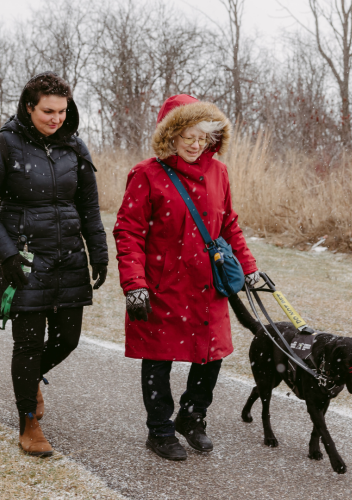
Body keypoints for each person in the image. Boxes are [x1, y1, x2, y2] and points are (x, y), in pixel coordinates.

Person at [113, 94, 260, 461]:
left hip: (208, 283)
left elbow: (229, 226)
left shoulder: (219, 172)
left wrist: (251, 268)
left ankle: (193, 417)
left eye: (204, 136)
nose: (197, 144)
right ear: (171, 136)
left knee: (212, 355)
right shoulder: (146, 174)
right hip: (162, 284)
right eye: (188, 136)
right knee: (159, 357)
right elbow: (128, 232)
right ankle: (159, 430)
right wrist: (135, 285)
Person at [0, 72, 108, 457]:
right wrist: (7, 254)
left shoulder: (76, 148)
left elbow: (89, 208)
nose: (56, 118)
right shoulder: (1, 146)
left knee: (68, 339)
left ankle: (29, 381)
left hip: (69, 260)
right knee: (28, 343)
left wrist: (99, 252)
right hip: (25, 260)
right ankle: (27, 423)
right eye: (48, 111)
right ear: (28, 107)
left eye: (62, 111)